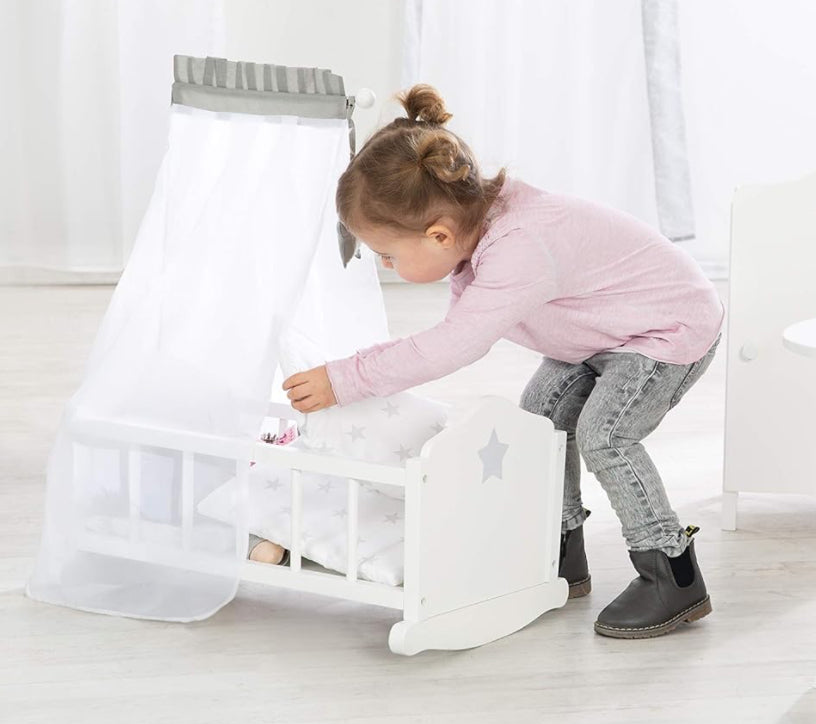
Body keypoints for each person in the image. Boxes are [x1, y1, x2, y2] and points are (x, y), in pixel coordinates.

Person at [283, 85, 723, 639]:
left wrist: (346, 378)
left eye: (388, 254)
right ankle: (557, 550)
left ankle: (671, 572)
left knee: (605, 435)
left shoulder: (520, 245)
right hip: (601, 332)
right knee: (540, 419)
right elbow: (454, 333)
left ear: (438, 234)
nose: (387, 266)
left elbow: (454, 345)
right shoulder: (475, 228)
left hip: (665, 328)